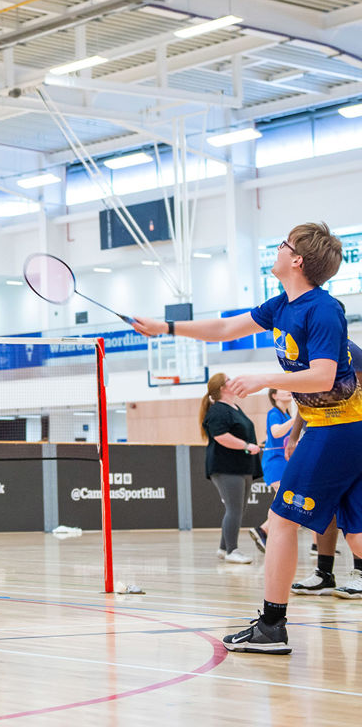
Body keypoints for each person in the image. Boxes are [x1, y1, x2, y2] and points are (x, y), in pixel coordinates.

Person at [133, 222, 362, 655]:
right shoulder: (282, 305)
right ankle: (272, 624)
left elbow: (324, 374)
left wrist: (261, 378)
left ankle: (272, 627)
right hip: (332, 427)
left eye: (284, 244)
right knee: (352, 527)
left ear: (297, 260)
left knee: (281, 522)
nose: (277, 249)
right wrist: (165, 327)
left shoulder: (323, 309)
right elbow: (224, 330)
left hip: (340, 426)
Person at [286, 337, 362, 598]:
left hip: (347, 439)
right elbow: (304, 400)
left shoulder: (351, 353)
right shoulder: (311, 356)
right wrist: (294, 436)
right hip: (319, 436)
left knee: (354, 510)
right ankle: (324, 573)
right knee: (322, 509)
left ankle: (360, 573)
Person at [199, 373, 261, 564]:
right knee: (234, 509)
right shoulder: (218, 411)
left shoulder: (234, 408)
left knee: (238, 508)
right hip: (226, 466)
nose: (233, 381)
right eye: (229, 380)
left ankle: (224, 547)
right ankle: (232, 551)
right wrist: (245, 446)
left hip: (241, 466)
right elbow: (221, 436)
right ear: (222, 388)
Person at [248, 388, 295, 553]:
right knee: (283, 500)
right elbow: (276, 431)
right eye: (283, 390)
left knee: (282, 501)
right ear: (274, 396)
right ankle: (264, 530)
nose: (289, 392)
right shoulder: (274, 413)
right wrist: (297, 420)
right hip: (275, 463)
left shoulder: (287, 415)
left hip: (285, 463)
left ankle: (264, 531)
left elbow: (273, 436)